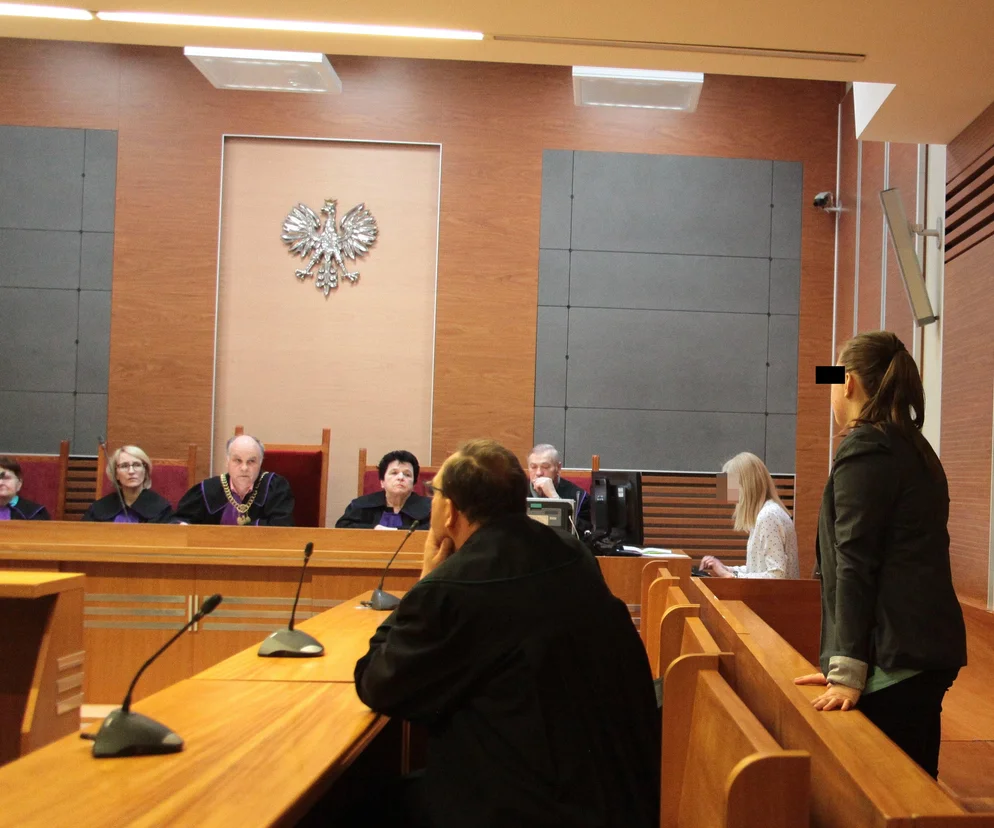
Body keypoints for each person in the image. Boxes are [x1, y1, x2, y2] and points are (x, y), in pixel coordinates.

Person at [353, 439, 660, 828]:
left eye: (434, 492)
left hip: (522, 805)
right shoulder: (571, 553)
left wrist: (426, 578)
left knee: (355, 805)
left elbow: (377, 682)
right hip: (610, 793)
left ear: (450, 510)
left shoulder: (453, 586)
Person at [794, 331, 967, 779]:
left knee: (889, 793)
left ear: (848, 382)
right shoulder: (913, 446)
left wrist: (847, 668)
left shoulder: (867, 448)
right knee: (916, 788)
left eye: (832, 378)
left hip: (895, 658)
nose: (830, 390)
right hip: (921, 650)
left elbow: (854, 562)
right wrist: (841, 658)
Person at [700, 452, 799, 578]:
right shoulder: (765, 514)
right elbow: (756, 569)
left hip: (775, 592)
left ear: (745, 486)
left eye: (730, 486)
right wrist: (727, 569)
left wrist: (730, 577)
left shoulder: (768, 516)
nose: (732, 500)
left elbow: (776, 575)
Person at [174, 434, 294, 526]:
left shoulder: (275, 487)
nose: (244, 468)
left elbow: (282, 528)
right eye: (237, 460)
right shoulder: (207, 490)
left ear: (260, 462)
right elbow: (180, 521)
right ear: (227, 462)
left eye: (251, 461)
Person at [335, 449, 431, 529]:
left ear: (414, 484)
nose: (401, 477)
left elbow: (435, 532)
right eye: (394, 473)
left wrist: (396, 531)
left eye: (407, 474)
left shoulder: (430, 508)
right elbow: (342, 527)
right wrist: (375, 529)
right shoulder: (362, 505)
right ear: (382, 482)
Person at [82, 445, 174, 523]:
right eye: (124, 466)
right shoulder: (98, 509)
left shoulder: (161, 509)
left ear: (145, 471)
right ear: (116, 474)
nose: (131, 471)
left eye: (137, 465)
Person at [526, 443, 591, 534]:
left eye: (545, 467)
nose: (539, 473)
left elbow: (584, 533)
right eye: (533, 467)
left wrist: (555, 498)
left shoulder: (580, 496)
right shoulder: (516, 491)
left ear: (558, 468)